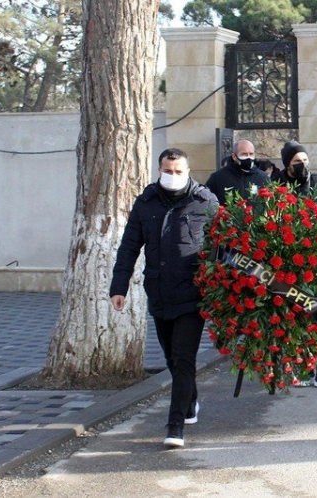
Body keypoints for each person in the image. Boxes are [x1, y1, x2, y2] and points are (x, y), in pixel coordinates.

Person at [110, 148, 218, 448]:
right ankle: (191, 399)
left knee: (184, 358)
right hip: (159, 293)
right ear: (159, 170)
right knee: (172, 357)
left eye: (178, 171)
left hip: (192, 294)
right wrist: (119, 287)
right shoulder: (146, 203)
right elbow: (129, 247)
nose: (172, 176)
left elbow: (223, 245)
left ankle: (175, 426)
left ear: (188, 171)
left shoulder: (205, 202)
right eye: (167, 171)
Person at [278, 140, 317, 387]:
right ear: (287, 165)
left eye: (304, 160)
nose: (302, 165)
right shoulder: (276, 186)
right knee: (294, 316)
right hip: (287, 262)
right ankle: (299, 365)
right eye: (296, 162)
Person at [206, 139, 268, 203]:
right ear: (234, 156)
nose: (248, 157)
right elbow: (207, 202)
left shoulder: (263, 178)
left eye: (251, 154)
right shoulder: (218, 177)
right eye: (244, 154)